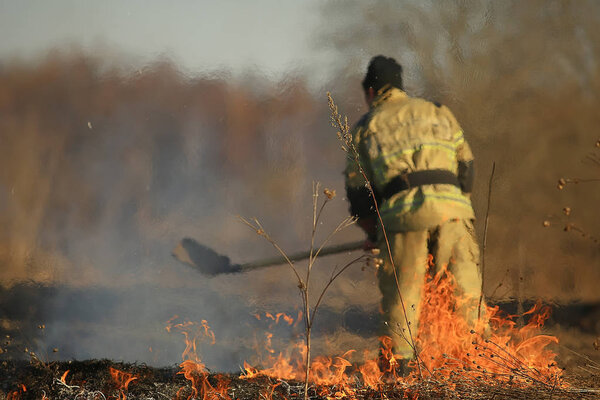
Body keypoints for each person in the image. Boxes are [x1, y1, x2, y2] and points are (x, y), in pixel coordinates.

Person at [344, 55, 484, 366]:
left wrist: (373, 232)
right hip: (455, 212)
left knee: (403, 297)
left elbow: (358, 195)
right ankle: (480, 365)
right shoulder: (438, 111)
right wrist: (455, 205)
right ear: (399, 87)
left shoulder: (365, 127)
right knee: (466, 294)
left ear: (370, 92)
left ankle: (401, 369)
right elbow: (467, 166)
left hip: (402, 216)